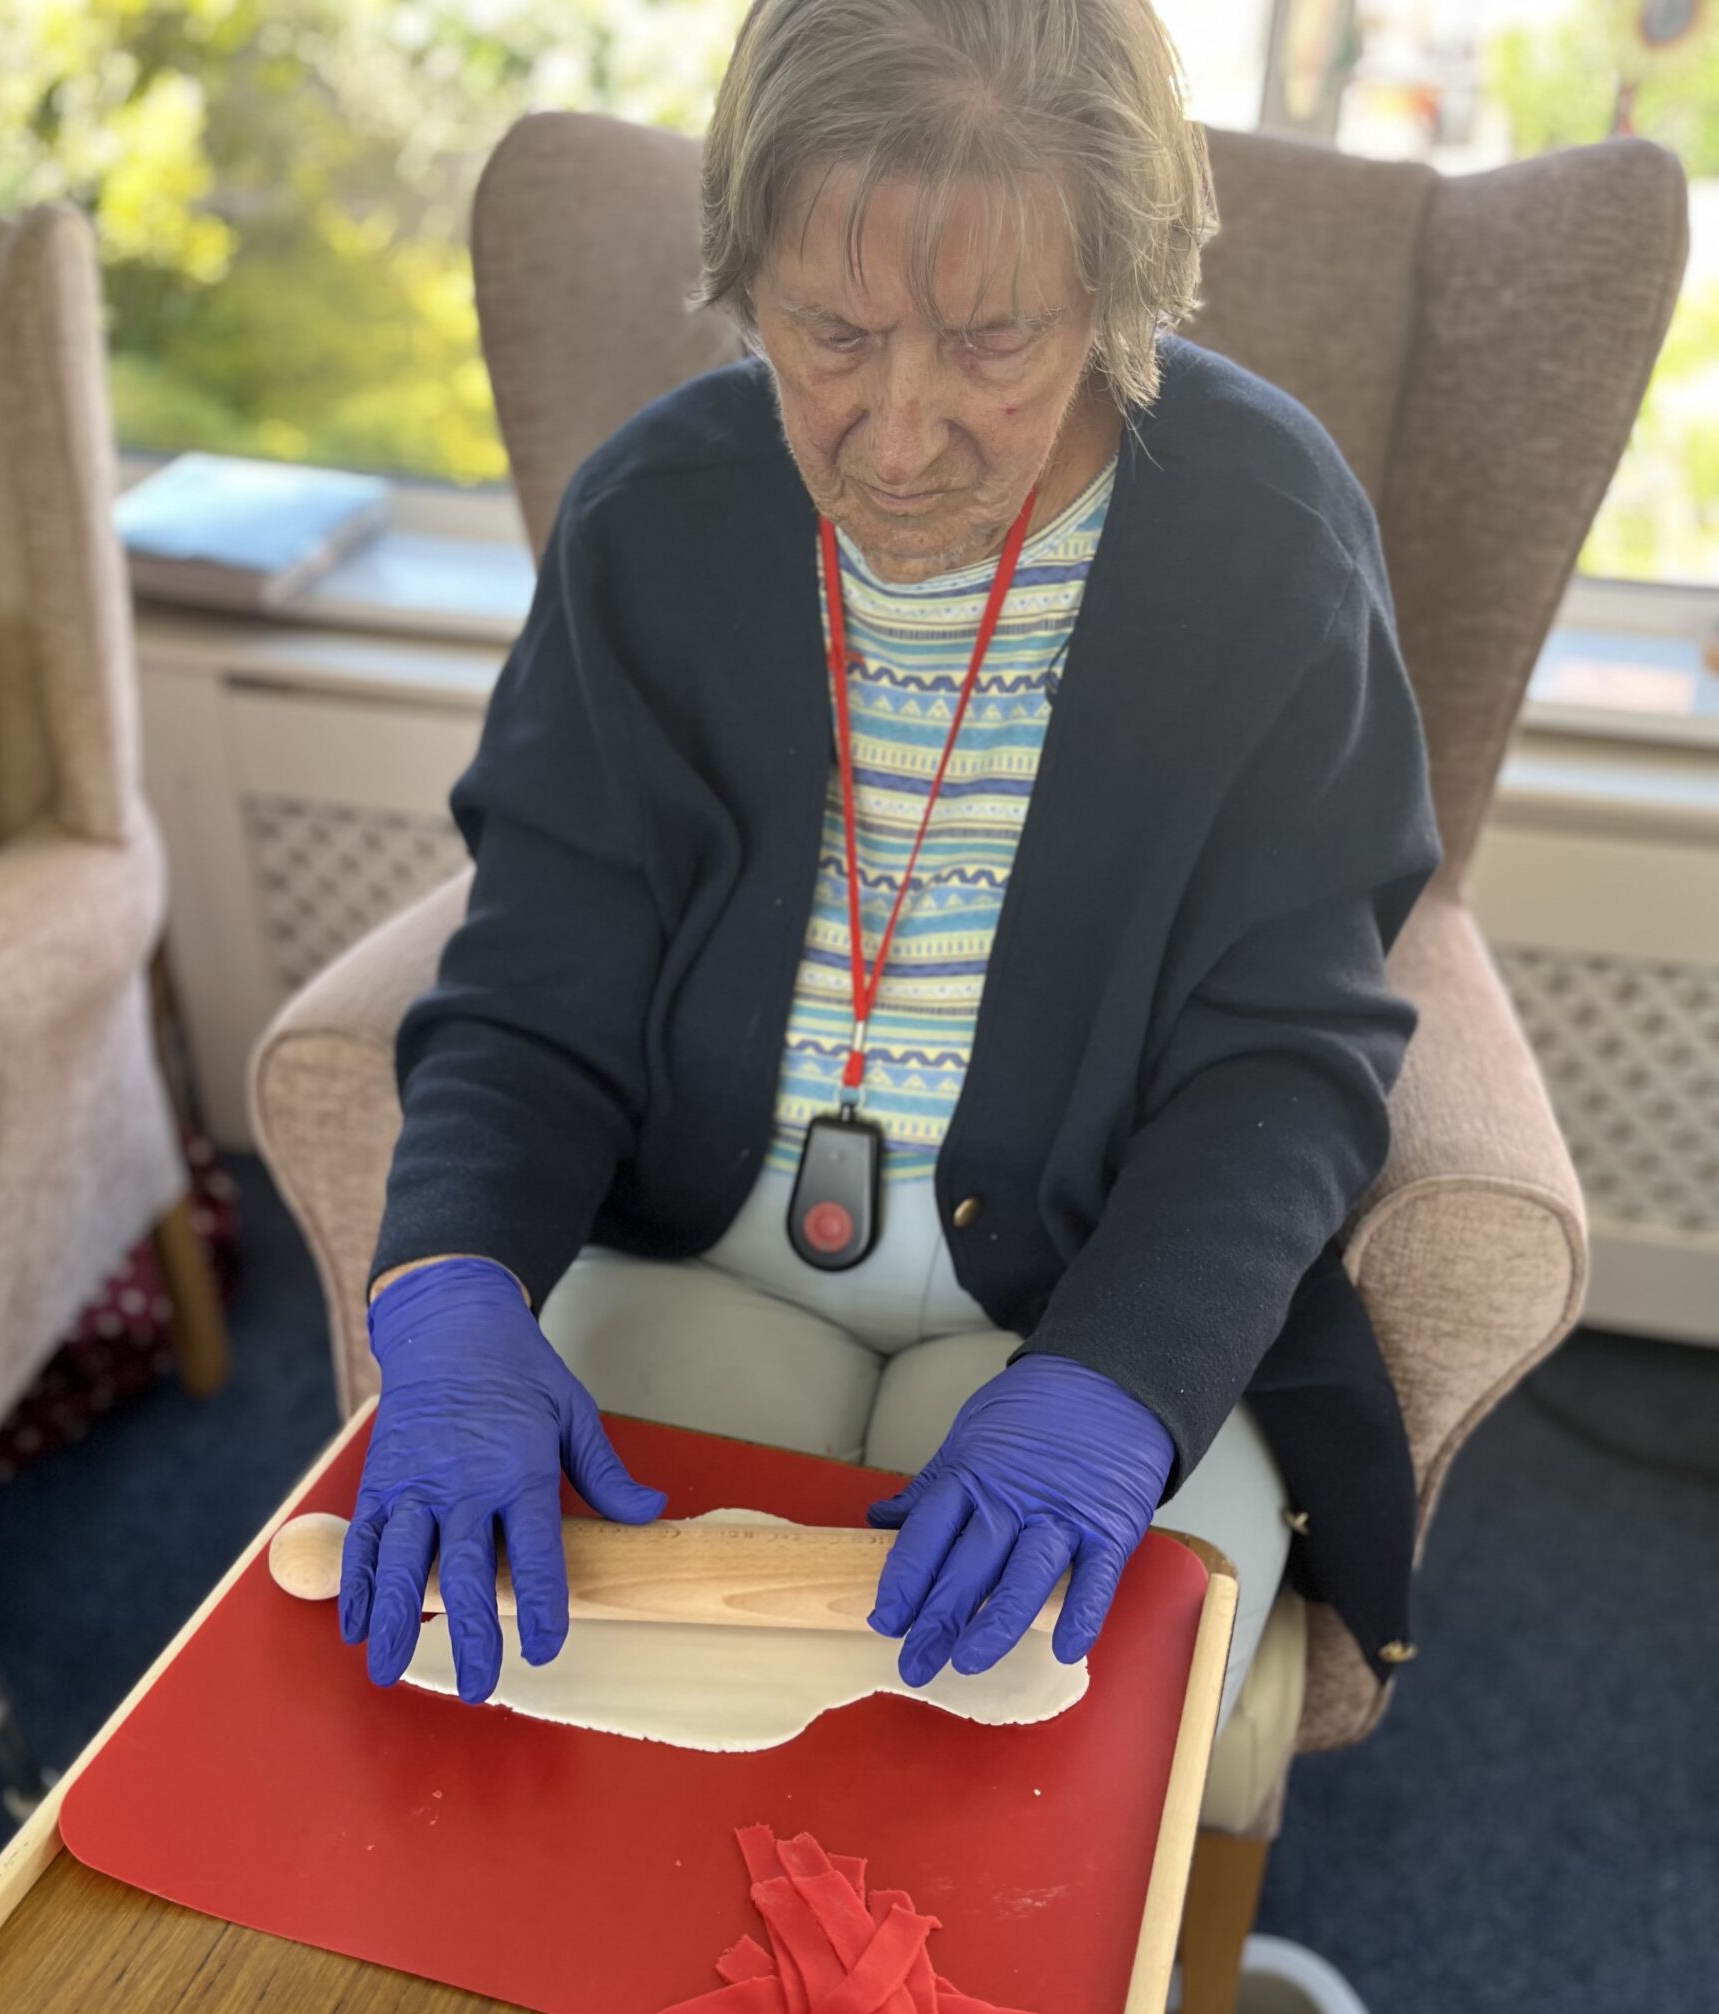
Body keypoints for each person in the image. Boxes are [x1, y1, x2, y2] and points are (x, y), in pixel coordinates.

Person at [339, 0, 1439, 1743]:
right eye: (829, 334)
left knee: (1034, 1758)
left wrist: (1113, 1383)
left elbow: (1288, 1062)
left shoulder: (1268, 542)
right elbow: (535, 975)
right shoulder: (651, 521)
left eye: (996, 342)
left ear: (1117, 294)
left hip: (1090, 1276)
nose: (900, 437)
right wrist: (455, 1274)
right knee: (535, 1724)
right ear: (742, 274)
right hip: (703, 1243)